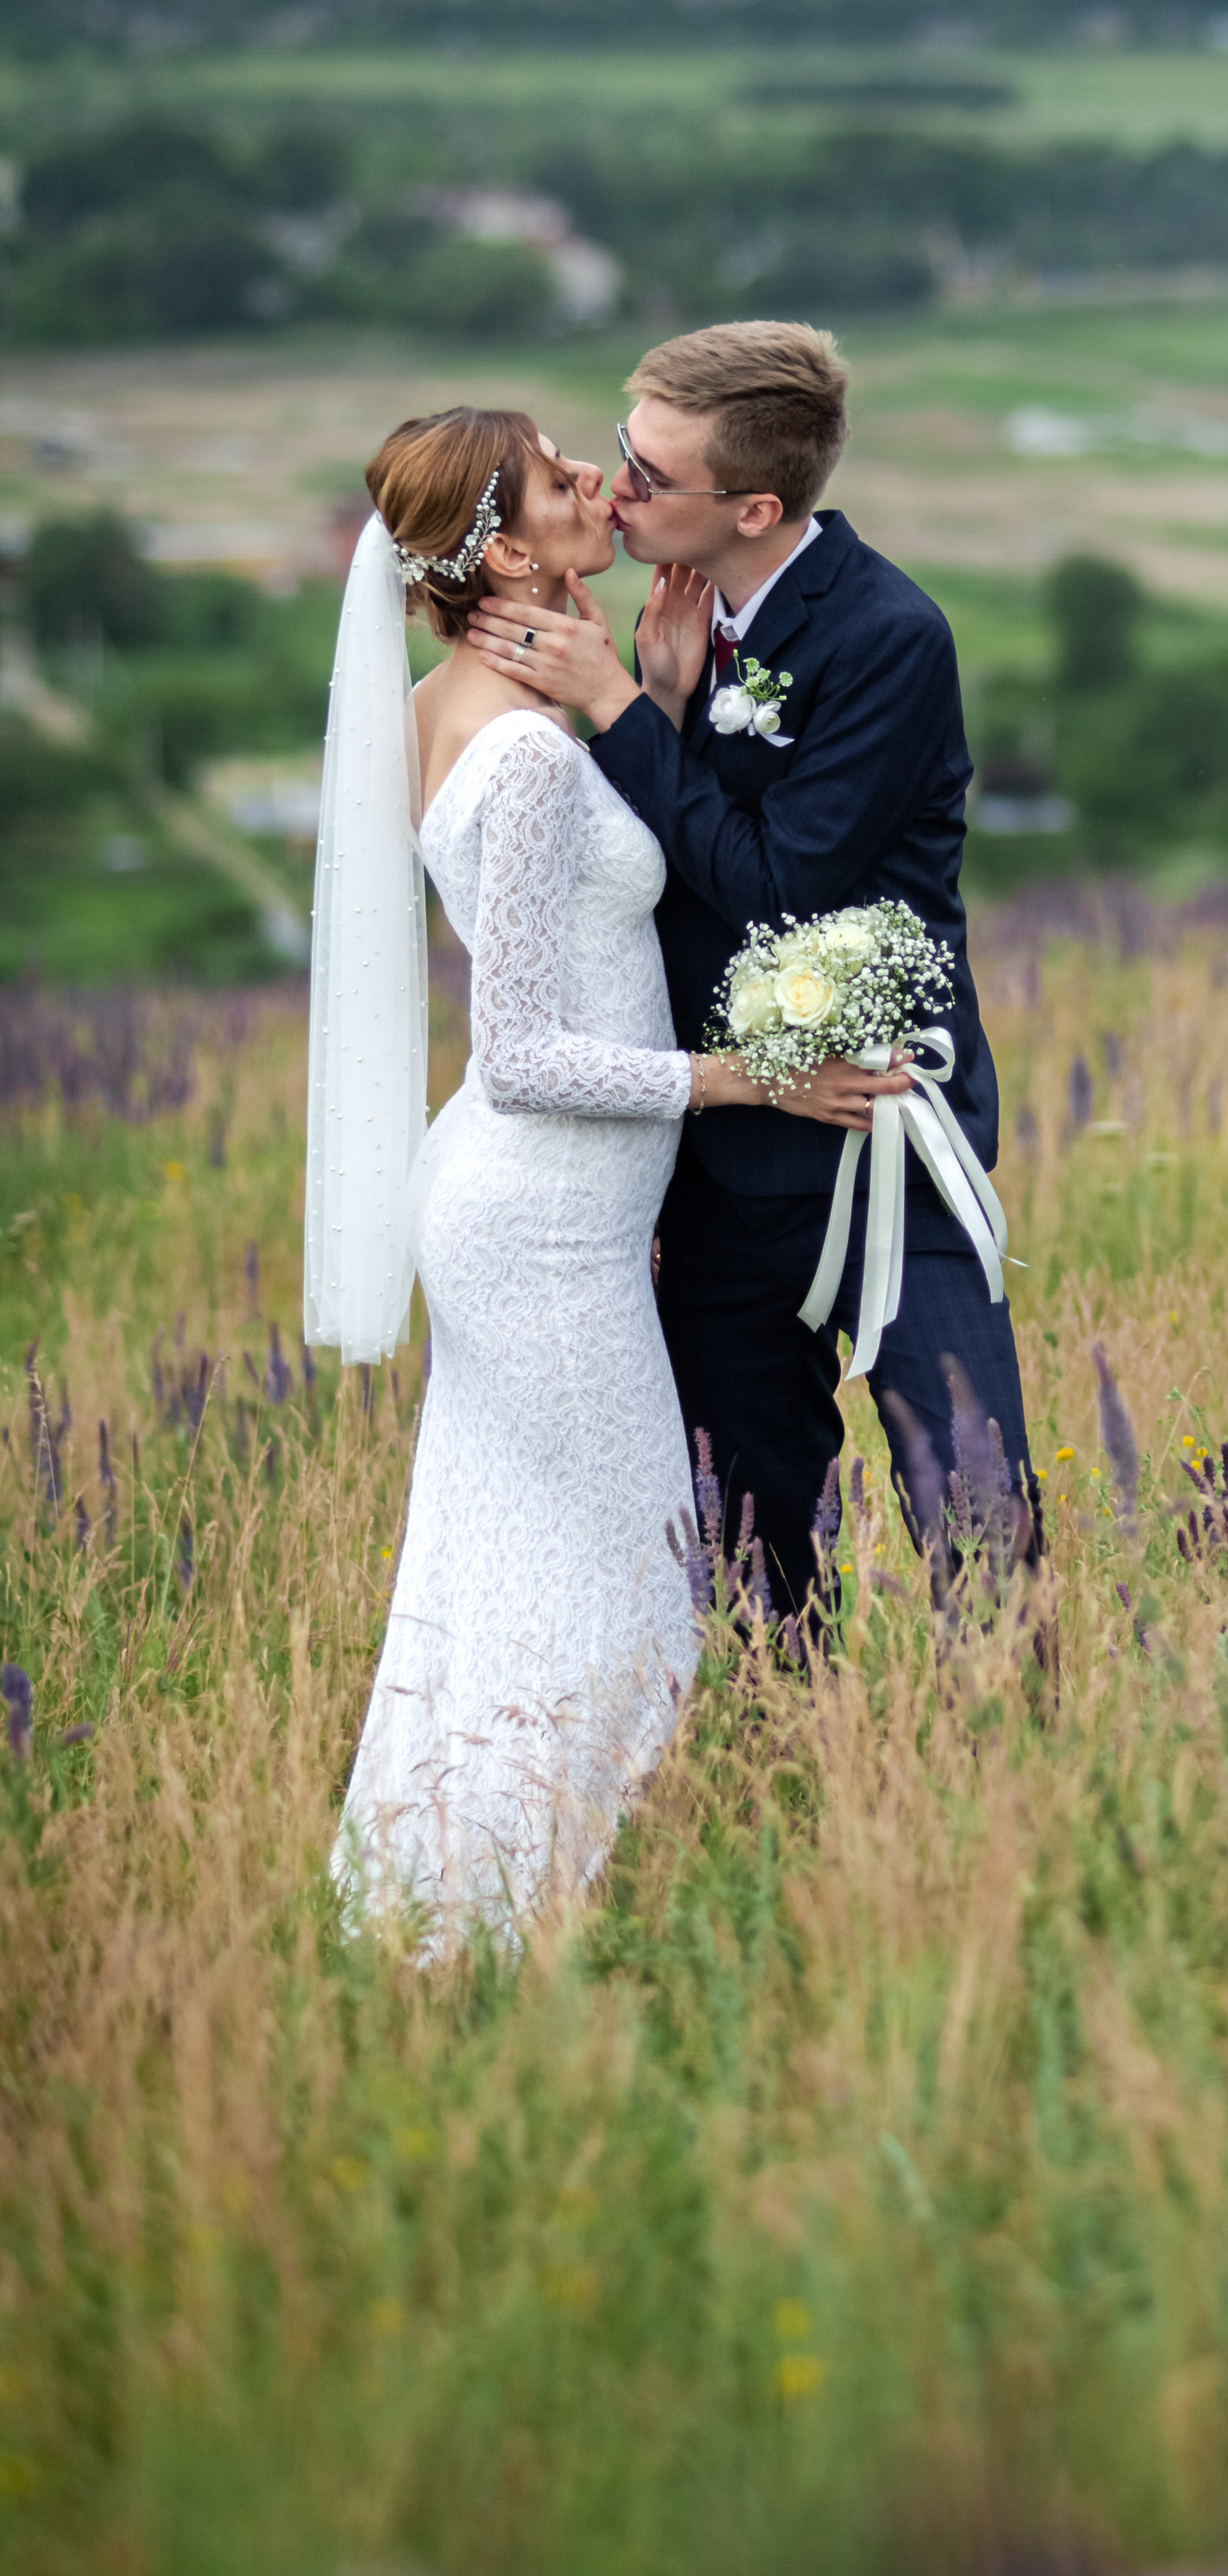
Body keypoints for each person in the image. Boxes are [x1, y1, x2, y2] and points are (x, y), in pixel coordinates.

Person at [308, 407, 905, 1944]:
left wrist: (653, 704)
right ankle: (514, 1913)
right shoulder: (511, 753)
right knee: (638, 1583)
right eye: (568, 481)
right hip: (540, 1222)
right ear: (503, 550)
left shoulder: (483, 707)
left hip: (556, 1218)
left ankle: (448, 1901)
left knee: (515, 1564)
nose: (604, 488)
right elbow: (516, 1051)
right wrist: (740, 1076)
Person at [464, 323, 1038, 1625]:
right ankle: (793, 1751)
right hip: (720, 1153)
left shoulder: (890, 634)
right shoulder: (672, 625)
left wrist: (622, 712)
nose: (616, 491)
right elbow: (634, 875)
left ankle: (1011, 1765)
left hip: (879, 1121)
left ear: (756, 507)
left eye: (649, 476)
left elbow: (788, 886)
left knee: (974, 1495)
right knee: (743, 1509)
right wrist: (657, 709)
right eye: (619, 455)